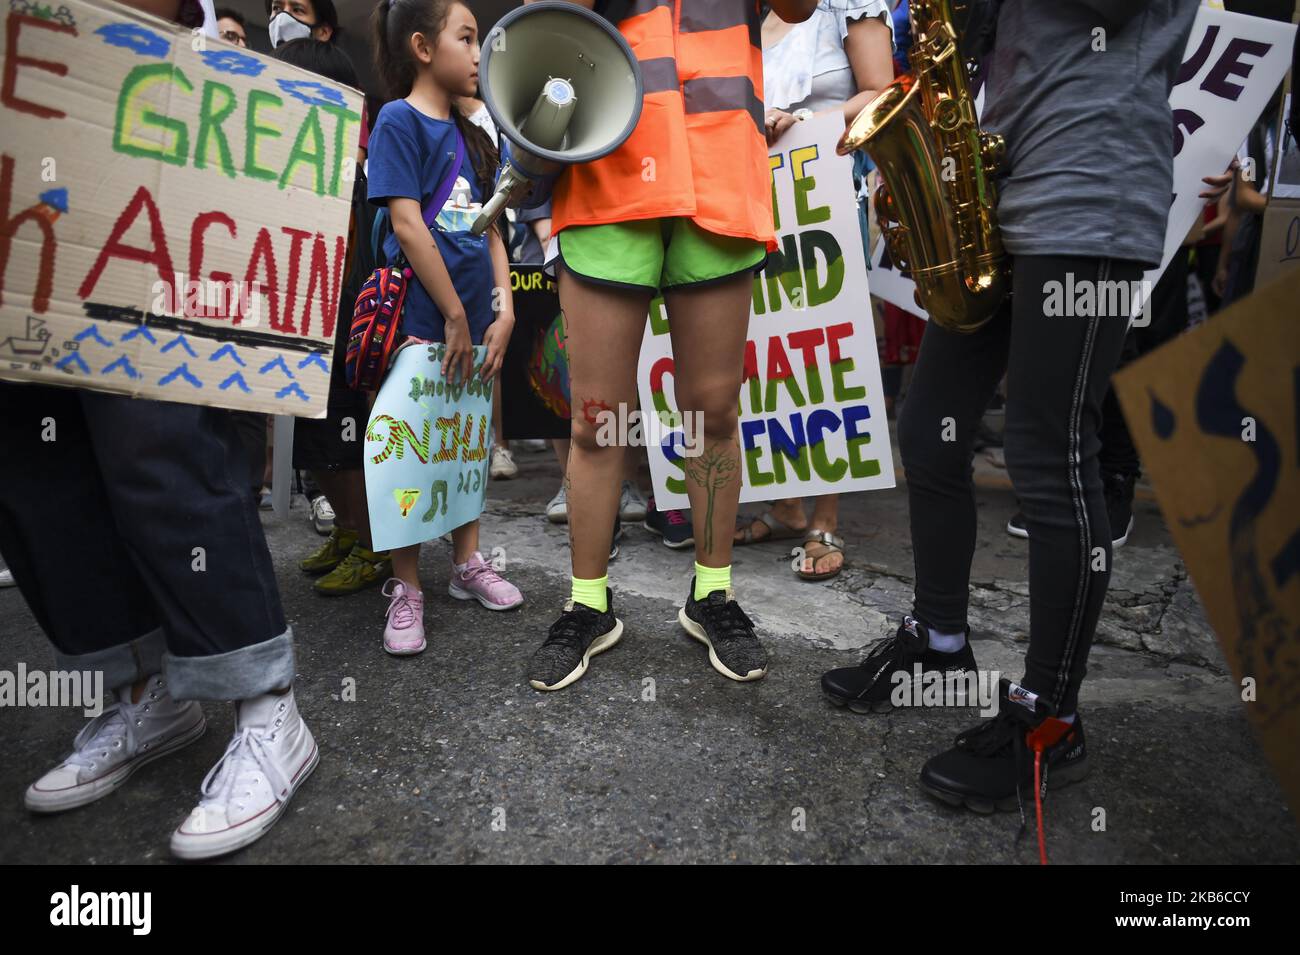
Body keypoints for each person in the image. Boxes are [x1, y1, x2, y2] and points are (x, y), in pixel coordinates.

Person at [820, 0, 1200, 842]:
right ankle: (941, 643)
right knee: (928, 432)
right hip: (999, 181)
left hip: (1091, 184)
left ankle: (1050, 718)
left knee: (1050, 452)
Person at [3, 0, 317, 862]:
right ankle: (146, 692)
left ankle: (266, 708)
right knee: (37, 452)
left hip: (118, 98)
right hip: (24, 133)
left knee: (155, 430)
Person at [524, 0, 820, 692]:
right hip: (604, 176)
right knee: (597, 418)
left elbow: (799, 8)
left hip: (719, 180)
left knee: (713, 412)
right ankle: (587, 604)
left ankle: (711, 593)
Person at [367, 0, 525, 656]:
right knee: (408, 450)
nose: (479, 52)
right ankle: (407, 587)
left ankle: (467, 562)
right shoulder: (397, 122)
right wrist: (455, 316)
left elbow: (490, 233)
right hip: (422, 323)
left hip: (476, 325)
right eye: (468, 38)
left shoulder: (475, 137)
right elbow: (407, 223)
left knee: (464, 444)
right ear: (424, 48)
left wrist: (504, 309)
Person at [734, 0, 894, 582]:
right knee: (765, 346)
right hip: (750, 196)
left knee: (822, 347)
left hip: (821, 198)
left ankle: (825, 517)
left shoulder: (849, 4)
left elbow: (881, 91)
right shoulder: (738, 13)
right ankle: (784, 506)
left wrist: (796, 123)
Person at [270, 38, 394, 597]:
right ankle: (348, 532)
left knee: (346, 445)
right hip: (304, 326)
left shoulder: (356, 175)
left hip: (348, 329)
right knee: (312, 443)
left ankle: (372, 545)